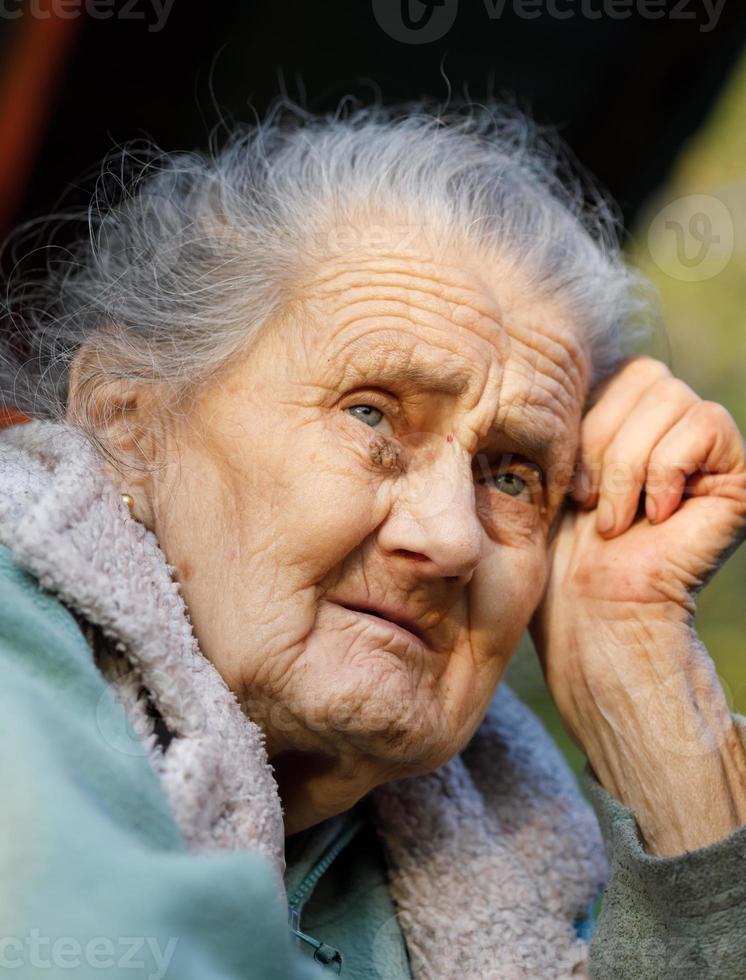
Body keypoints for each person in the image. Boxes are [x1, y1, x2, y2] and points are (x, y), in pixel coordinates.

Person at [1, 100, 745, 980]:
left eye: (512, 475)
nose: (451, 539)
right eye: (370, 414)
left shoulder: (510, 857)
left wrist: (651, 703)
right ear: (129, 419)